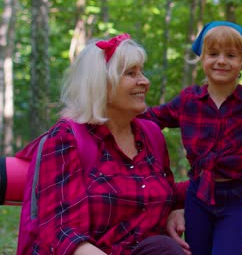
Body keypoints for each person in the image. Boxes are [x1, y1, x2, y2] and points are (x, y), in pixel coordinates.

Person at [17, 34, 190, 255]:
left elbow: (162, 190)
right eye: (131, 73)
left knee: (165, 248)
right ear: (101, 83)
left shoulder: (152, 135)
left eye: (142, 71)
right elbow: (61, 230)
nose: (144, 81)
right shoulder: (66, 137)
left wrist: (177, 206)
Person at [142, 21, 242, 255]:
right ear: (201, 58)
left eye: (230, 55)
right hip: (198, 195)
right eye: (213, 54)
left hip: (236, 198)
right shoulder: (189, 100)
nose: (221, 61)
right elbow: (152, 118)